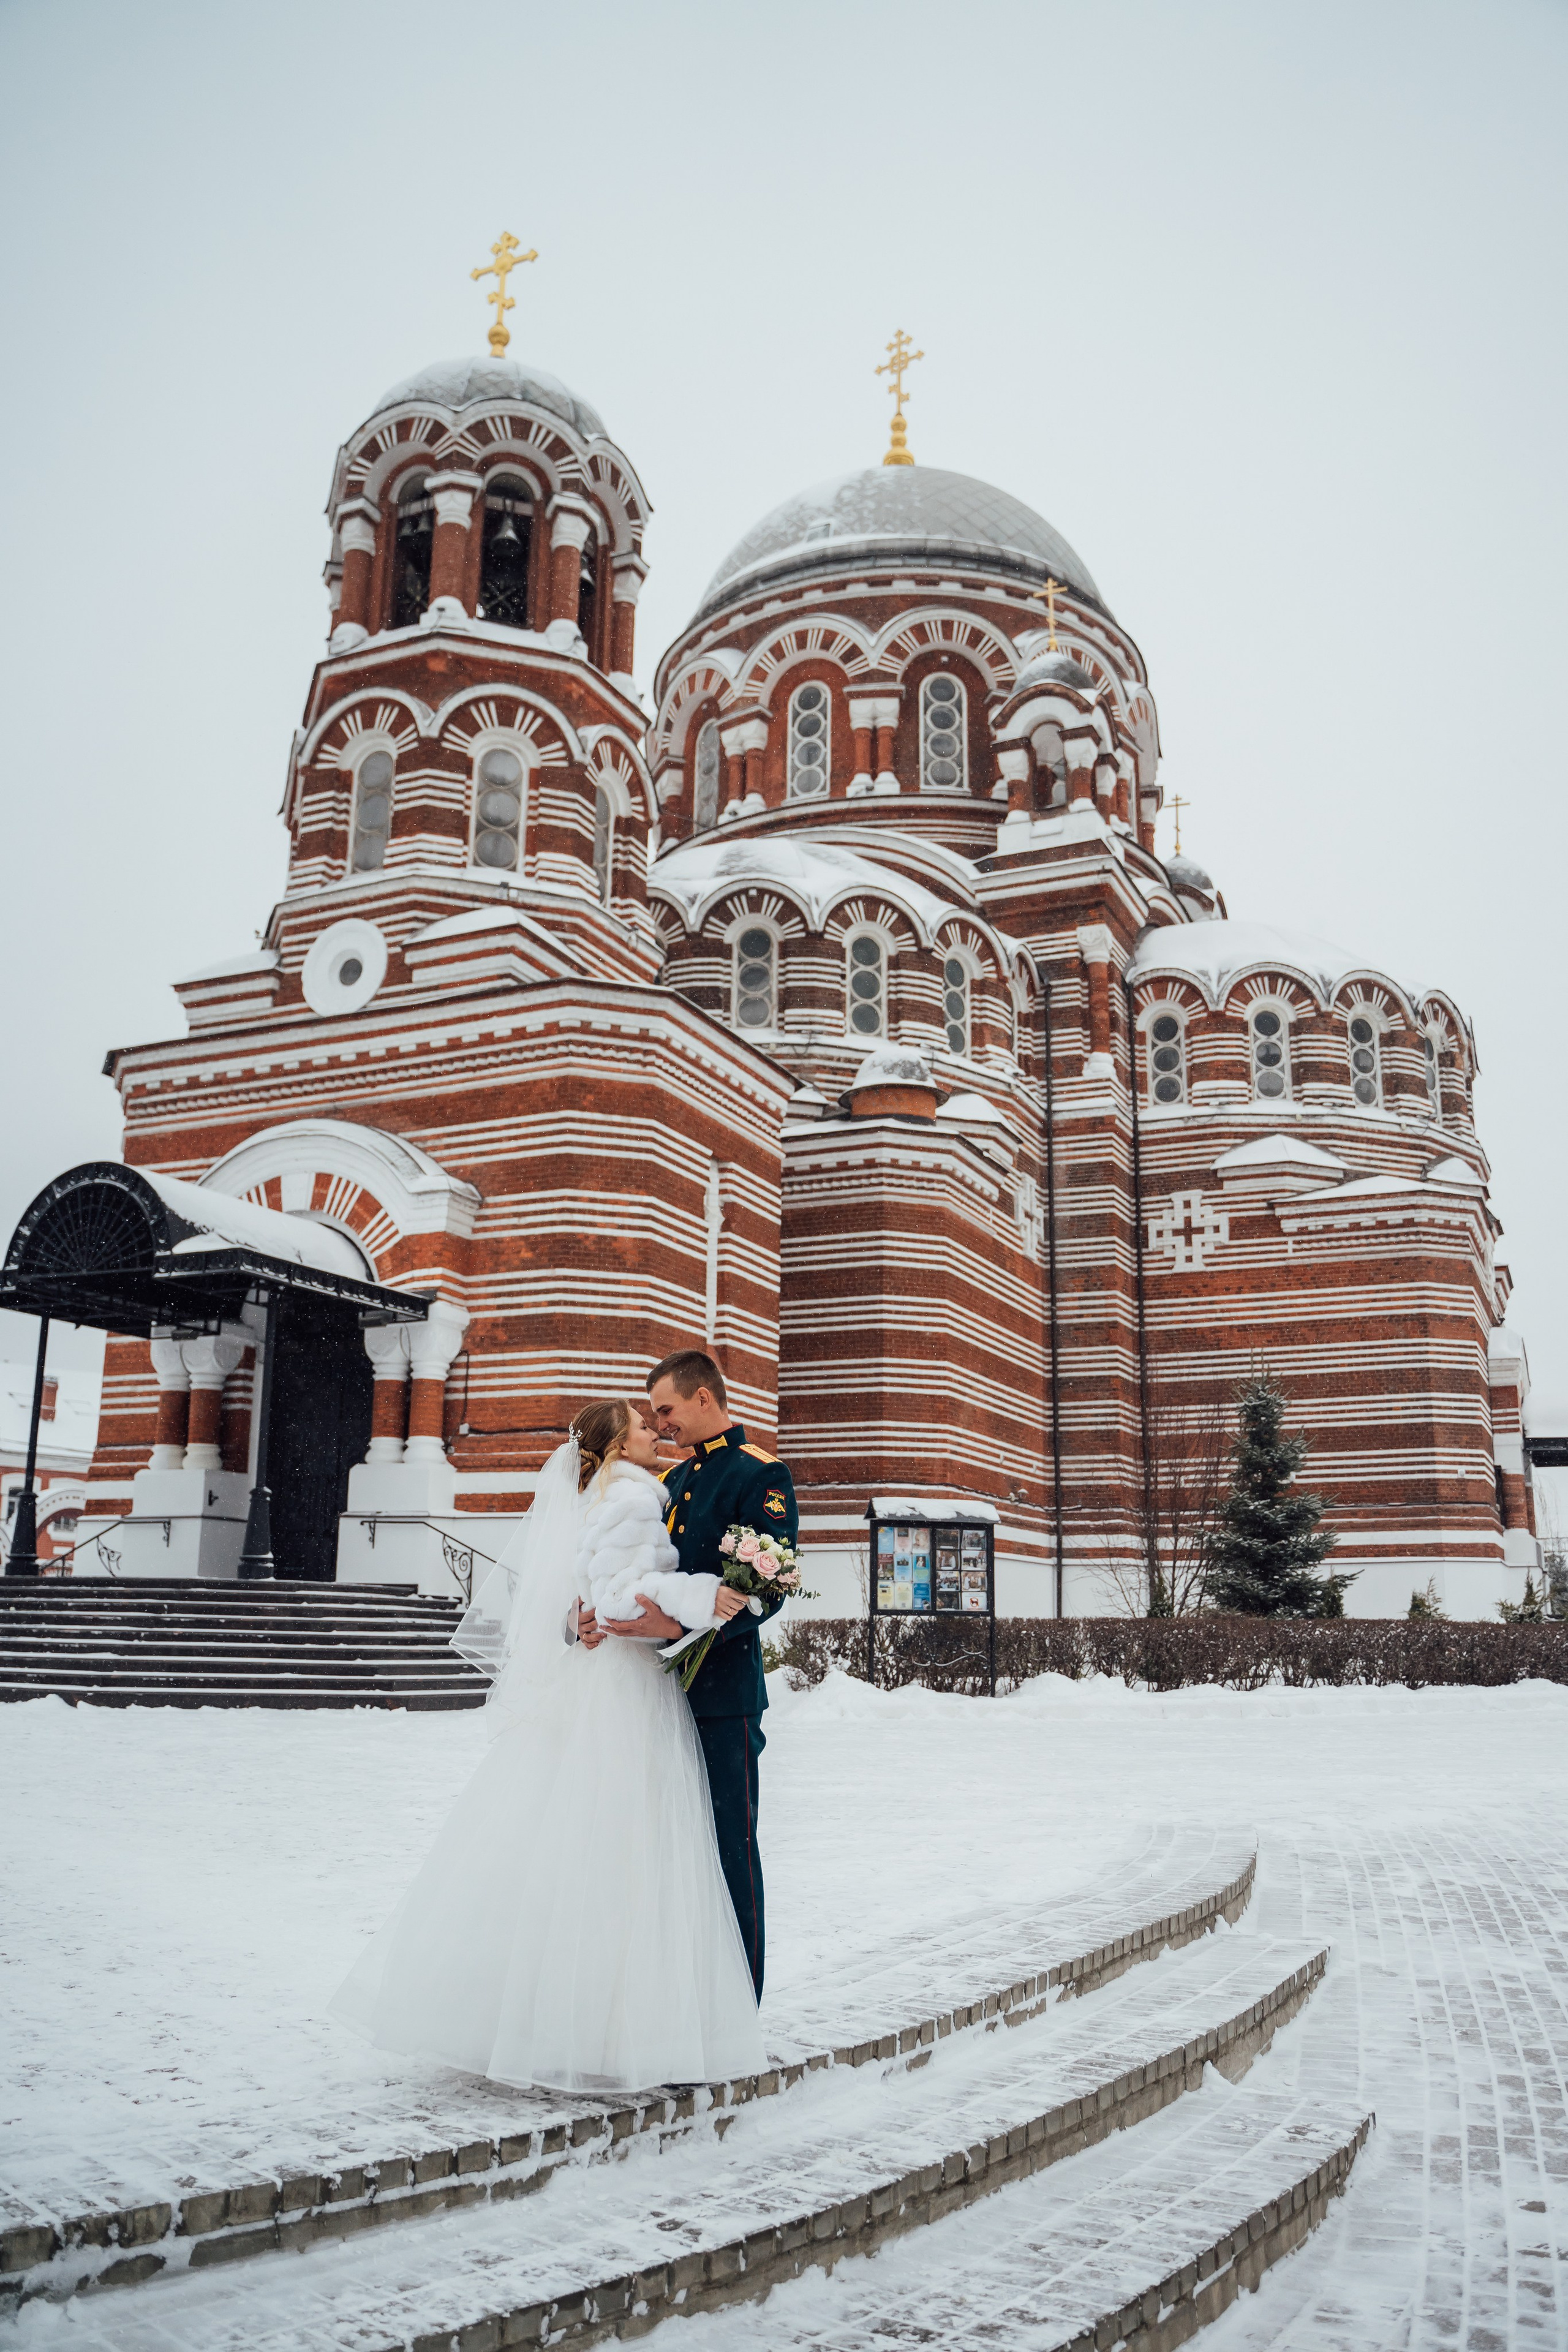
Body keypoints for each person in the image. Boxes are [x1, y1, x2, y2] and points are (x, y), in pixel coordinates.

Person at [328, 1398, 767, 2095]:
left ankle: (544, 2014)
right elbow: (626, 1601)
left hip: (603, 1682)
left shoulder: (596, 1496)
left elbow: (583, 1596)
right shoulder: (631, 1498)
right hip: (628, 1690)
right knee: (629, 1849)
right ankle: (621, 2026)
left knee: (574, 1844)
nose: (656, 1432)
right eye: (642, 1425)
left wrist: (583, 1616)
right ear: (619, 1447)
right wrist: (704, 1596)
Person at [588, 1350, 796, 2000]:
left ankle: (736, 2007)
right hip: (655, 1697)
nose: (660, 1422)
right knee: (669, 1850)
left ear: (704, 1398)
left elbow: (770, 1586)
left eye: (667, 1410)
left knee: (728, 1844)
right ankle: (679, 2002)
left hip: (722, 1697)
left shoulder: (755, 1474)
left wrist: (683, 1628)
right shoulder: (670, 1485)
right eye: (653, 1415)